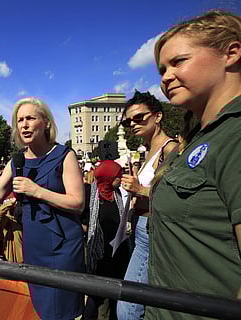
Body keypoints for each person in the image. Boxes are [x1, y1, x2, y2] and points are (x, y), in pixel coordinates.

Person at [0, 97, 85, 320]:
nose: (24, 124)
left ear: (46, 123)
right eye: (19, 120)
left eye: (30, 118)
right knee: (42, 307)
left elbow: (77, 203)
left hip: (63, 246)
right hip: (34, 244)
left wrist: (37, 191)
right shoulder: (17, 161)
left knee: (62, 310)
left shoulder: (64, 155)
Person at [146, 10, 241, 319]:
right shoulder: (201, 137)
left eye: (178, 62)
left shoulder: (234, 135)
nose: (165, 77)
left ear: (231, 54)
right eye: (162, 69)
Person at [117, 91, 178, 320]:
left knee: (128, 309)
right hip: (140, 228)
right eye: (128, 121)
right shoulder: (149, 149)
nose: (133, 124)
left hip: (152, 231)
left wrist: (139, 190)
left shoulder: (170, 149)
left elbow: (175, 195)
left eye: (139, 117)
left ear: (158, 116)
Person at [84, 159, 129, 320]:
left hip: (117, 255)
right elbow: (84, 222)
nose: (121, 177)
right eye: (118, 175)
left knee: (116, 298)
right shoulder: (91, 195)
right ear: (108, 177)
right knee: (99, 300)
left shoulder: (117, 195)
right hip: (101, 258)